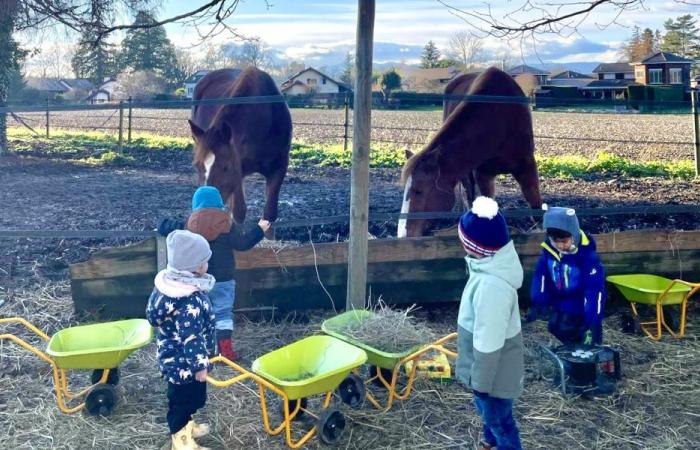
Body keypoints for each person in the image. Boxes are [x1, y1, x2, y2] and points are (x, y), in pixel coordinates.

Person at [159, 186, 270, 361]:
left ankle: (206, 350)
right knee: (223, 313)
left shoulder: (188, 224)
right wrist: (259, 229)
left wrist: (163, 223)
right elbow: (243, 243)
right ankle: (225, 351)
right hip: (224, 280)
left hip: (198, 281)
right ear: (219, 203)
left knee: (203, 314)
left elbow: (166, 227)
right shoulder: (227, 224)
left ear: (196, 203)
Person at [455, 196, 524, 450]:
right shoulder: (487, 267)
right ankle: (490, 444)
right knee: (491, 417)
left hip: (492, 377)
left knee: (500, 421)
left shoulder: (492, 287)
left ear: (475, 247)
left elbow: (489, 342)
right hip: (491, 371)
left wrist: (481, 384)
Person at [146, 230, 215, 450]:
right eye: (205, 261)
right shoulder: (188, 302)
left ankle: (187, 426)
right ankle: (180, 438)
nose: (207, 264)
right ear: (194, 268)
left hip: (173, 359)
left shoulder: (170, 284)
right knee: (184, 401)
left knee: (186, 399)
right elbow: (191, 337)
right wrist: (199, 366)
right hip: (185, 365)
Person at [528, 205, 606, 345]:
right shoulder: (549, 252)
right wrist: (539, 301)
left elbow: (594, 289)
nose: (560, 246)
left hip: (581, 313)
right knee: (562, 342)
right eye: (555, 241)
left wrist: (592, 319)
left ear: (574, 236)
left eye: (564, 241)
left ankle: (584, 366)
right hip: (559, 310)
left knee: (585, 351)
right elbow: (541, 276)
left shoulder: (587, 257)